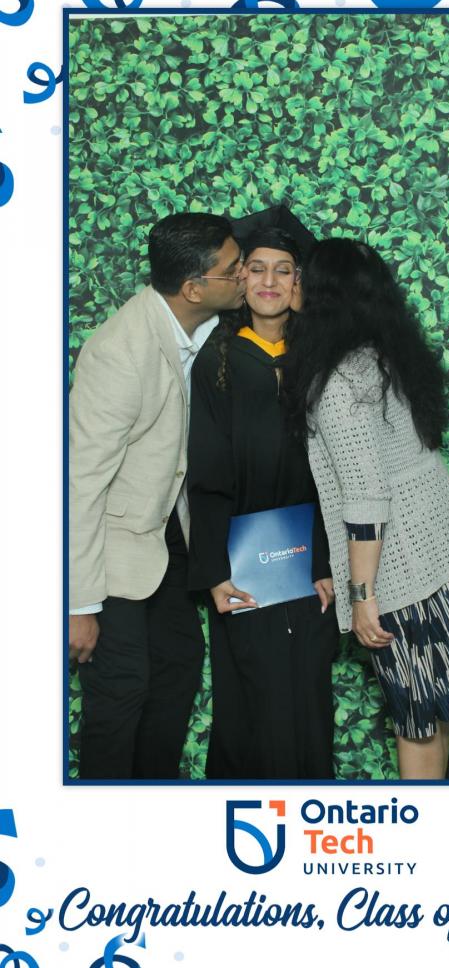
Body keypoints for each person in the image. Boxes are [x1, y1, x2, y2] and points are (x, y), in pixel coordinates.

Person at [284, 237, 449, 780]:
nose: (290, 284)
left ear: (323, 294)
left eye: (299, 276)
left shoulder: (340, 382)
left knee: (415, 715)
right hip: (445, 552)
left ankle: (416, 828)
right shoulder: (383, 355)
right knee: (433, 709)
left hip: (406, 566)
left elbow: (366, 498)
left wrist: (362, 596)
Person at [69, 212, 245, 779]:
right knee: (122, 690)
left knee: (178, 665)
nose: (244, 276)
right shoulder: (120, 352)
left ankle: (153, 808)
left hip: (165, 541)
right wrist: (79, 605)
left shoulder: (200, 328)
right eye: (234, 269)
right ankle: (104, 818)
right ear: (193, 288)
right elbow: (81, 483)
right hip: (112, 553)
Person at [187, 216, 340, 780]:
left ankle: (309, 811)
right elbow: (206, 476)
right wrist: (214, 571)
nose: (269, 282)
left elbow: (341, 475)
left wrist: (327, 562)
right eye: (256, 269)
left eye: (283, 270)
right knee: (253, 700)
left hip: (311, 564)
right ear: (240, 279)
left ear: (300, 282)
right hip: (245, 567)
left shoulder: (325, 359)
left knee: (308, 695)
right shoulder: (218, 361)